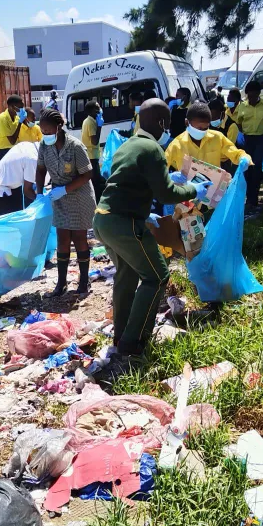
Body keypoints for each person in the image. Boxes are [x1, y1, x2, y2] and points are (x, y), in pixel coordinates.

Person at [93, 99, 212, 360]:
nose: (168, 130)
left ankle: (121, 335)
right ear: (160, 123)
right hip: (125, 224)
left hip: (104, 220)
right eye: (167, 124)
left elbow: (128, 183)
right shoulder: (153, 149)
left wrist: (147, 211)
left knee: (126, 275)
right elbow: (167, 193)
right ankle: (134, 342)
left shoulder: (128, 146)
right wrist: (194, 189)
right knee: (157, 276)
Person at [35, 108, 95, 297]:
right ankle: (61, 284)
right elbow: (40, 169)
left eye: (48, 131)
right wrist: (38, 193)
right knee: (62, 239)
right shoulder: (45, 146)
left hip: (79, 196)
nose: (45, 135)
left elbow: (87, 174)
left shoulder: (75, 146)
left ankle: (84, 283)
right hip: (58, 197)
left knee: (79, 238)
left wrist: (65, 190)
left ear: (59, 127)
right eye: (42, 132)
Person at [165, 102, 251, 175]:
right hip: (188, 191)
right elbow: (162, 167)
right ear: (187, 122)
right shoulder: (176, 144)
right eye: (199, 128)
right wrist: (171, 177)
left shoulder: (217, 138)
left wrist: (243, 158)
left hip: (214, 190)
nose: (202, 131)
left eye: (205, 128)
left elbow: (234, 152)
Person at [234, 80, 263, 212]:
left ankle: (253, 200)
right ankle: (248, 197)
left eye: (254, 95)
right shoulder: (242, 106)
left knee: (256, 167)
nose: (251, 98)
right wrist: (240, 133)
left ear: (258, 94)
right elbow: (238, 122)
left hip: (260, 139)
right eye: (249, 95)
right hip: (246, 139)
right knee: (247, 168)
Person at [0, 141, 39, 218]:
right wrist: (42, 200)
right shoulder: (33, 159)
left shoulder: (27, 145)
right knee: (14, 222)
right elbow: (27, 191)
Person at [81, 100, 106, 203]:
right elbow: (94, 141)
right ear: (91, 111)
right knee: (96, 183)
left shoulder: (89, 120)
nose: (99, 109)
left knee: (97, 180)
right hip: (91, 156)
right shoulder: (91, 122)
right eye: (97, 108)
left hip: (92, 155)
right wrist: (100, 126)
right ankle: (97, 204)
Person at [0, 95, 26, 164]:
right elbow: (12, 141)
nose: (22, 109)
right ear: (12, 107)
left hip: (15, 150)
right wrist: (20, 123)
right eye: (20, 108)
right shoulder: (2, 119)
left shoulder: (17, 117)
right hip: (3, 152)